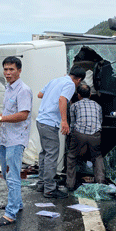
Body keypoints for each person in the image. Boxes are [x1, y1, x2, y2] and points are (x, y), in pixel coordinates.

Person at [0, 56, 32, 226]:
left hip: (16, 139)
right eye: (5, 69)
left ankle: (10, 213)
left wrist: (0, 119)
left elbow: (23, 114)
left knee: (12, 176)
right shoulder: (9, 88)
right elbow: (7, 111)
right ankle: (17, 203)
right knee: (6, 175)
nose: (8, 72)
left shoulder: (23, 90)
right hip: (5, 138)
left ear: (19, 71)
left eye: (11, 69)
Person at [35, 66, 85, 198]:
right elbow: (62, 99)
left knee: (44, 153)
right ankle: (50, 189)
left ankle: (42, 184)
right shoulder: (70, 84)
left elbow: (40, 94)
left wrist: (52, 96)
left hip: (41, 120)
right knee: (51, 154)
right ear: (79, 79)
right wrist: (64, 121)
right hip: (50, 122)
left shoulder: (56, 80)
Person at [66, 83, 104, 191]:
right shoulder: (98, 106)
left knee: (72, 156)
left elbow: (72, 124)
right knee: (97, 157)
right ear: (90, 95)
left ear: (78, 95)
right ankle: (101, 182)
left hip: (79, 134)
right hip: (95, 134)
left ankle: (70, 184)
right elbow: (100, 122)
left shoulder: (74, 106)